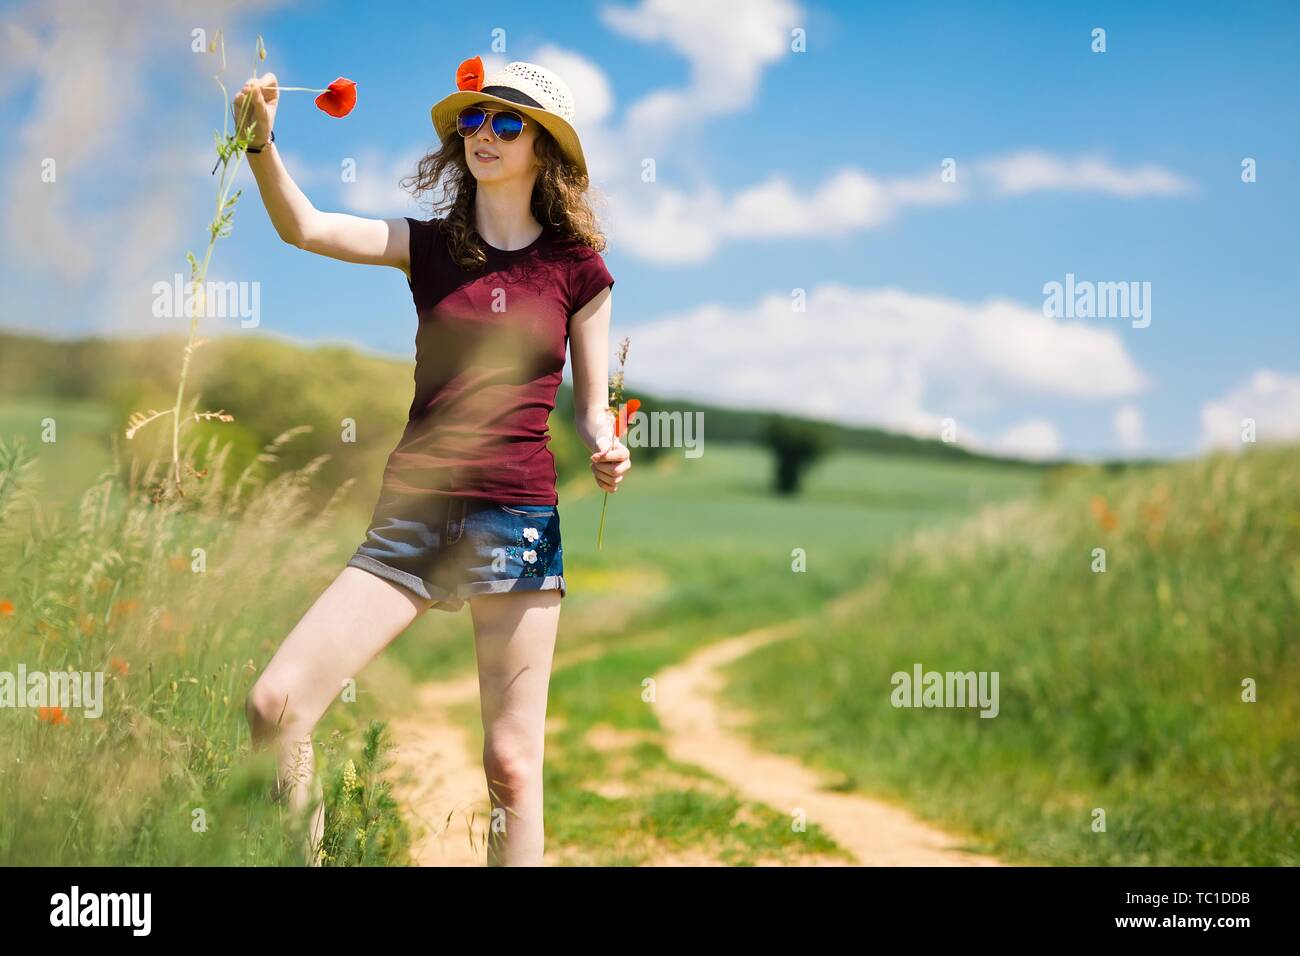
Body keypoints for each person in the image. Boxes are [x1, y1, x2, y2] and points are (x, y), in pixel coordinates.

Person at [235, 56, 629, 866]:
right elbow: (304, 227)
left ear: (543, 149)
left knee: (512, 769)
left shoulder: (578, 272)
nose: (484, 133)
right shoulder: (426, 248)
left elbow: (589, 407)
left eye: (507, 122)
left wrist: (606, 444)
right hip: (413, 516)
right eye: (474, 121)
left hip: (516, 518)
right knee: (276, 705)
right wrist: (260, 145)